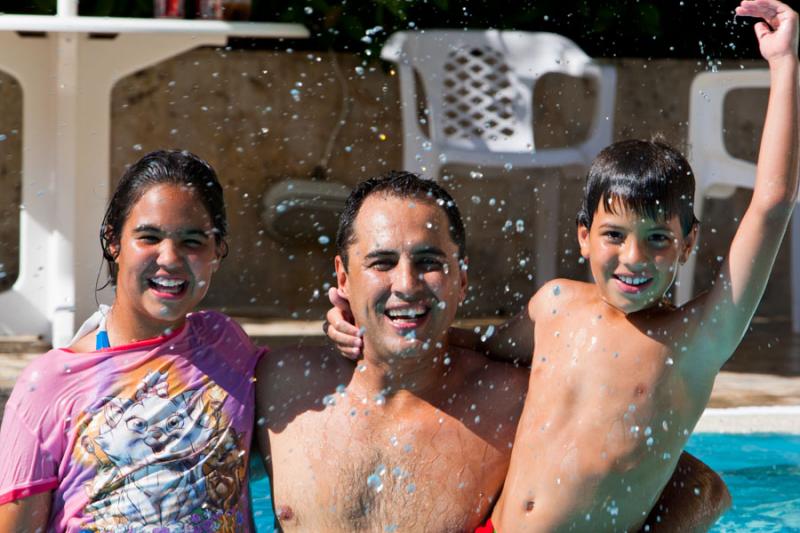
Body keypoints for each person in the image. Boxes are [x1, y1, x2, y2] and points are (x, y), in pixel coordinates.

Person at [326, 1, 797, 530]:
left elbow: (772, 203)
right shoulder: (555, 305)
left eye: (658, 239)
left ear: (688, 244)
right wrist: (369, 332)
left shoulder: (697, 336)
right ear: (583, 237)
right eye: (614, 235)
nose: (633, 258)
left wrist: (784, 65)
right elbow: (476, 348)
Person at [259, 172, 729, 531]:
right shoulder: (280, 388)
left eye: (429, 263)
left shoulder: (513, 402)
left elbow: (699, 490)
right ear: (343, 278)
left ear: (462, 278)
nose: (405, 285)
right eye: (381, 263)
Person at [0, 150, 265, 532]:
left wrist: (340, 325)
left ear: (217, 251)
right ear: (113, 241)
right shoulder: (50, 386)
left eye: (192, 241)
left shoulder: (225, 345)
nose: (170, 259)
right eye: (149, 237)